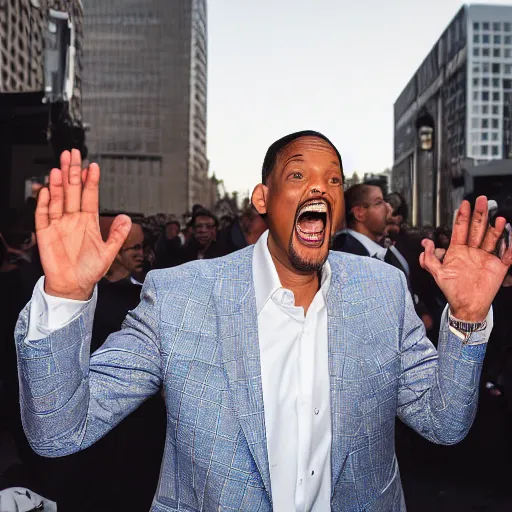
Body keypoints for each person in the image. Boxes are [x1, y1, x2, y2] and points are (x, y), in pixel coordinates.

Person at [14, 133, 511, 511]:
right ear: (261, 198)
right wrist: (65, 296)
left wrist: (467, 320)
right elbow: (58, 431)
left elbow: (444, 423)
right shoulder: (180, 297)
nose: (320, 185)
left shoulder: (381, 291)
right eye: (298, 175)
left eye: (333, 179)